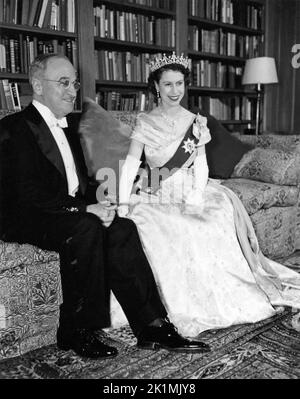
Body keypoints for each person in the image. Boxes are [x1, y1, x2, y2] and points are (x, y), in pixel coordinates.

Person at [0, 53, 211, 359]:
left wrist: (103, 200)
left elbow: (78, 182)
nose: (73, 90)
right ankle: (76, 330)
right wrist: (85, 210)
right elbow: (27, 192)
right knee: (86, 227)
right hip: (27, 215)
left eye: (74, 82)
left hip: (64, 210)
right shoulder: (14, 128)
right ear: (37, 85)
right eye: (63, 83)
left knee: (122, 226)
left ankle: (152, 326)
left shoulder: (70, 126)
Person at [117, 52, 300, 337]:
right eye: (168, 84)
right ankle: (159, 306)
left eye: (180, 84)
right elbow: (131, 164)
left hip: (192, 187)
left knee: (206, 222)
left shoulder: (196, 123)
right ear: (156, 86)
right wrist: (122, 201)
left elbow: (200, 164)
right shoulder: (145, 122)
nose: (175, 91)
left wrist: (196, 195)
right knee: (147, 225)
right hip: (156, 190)